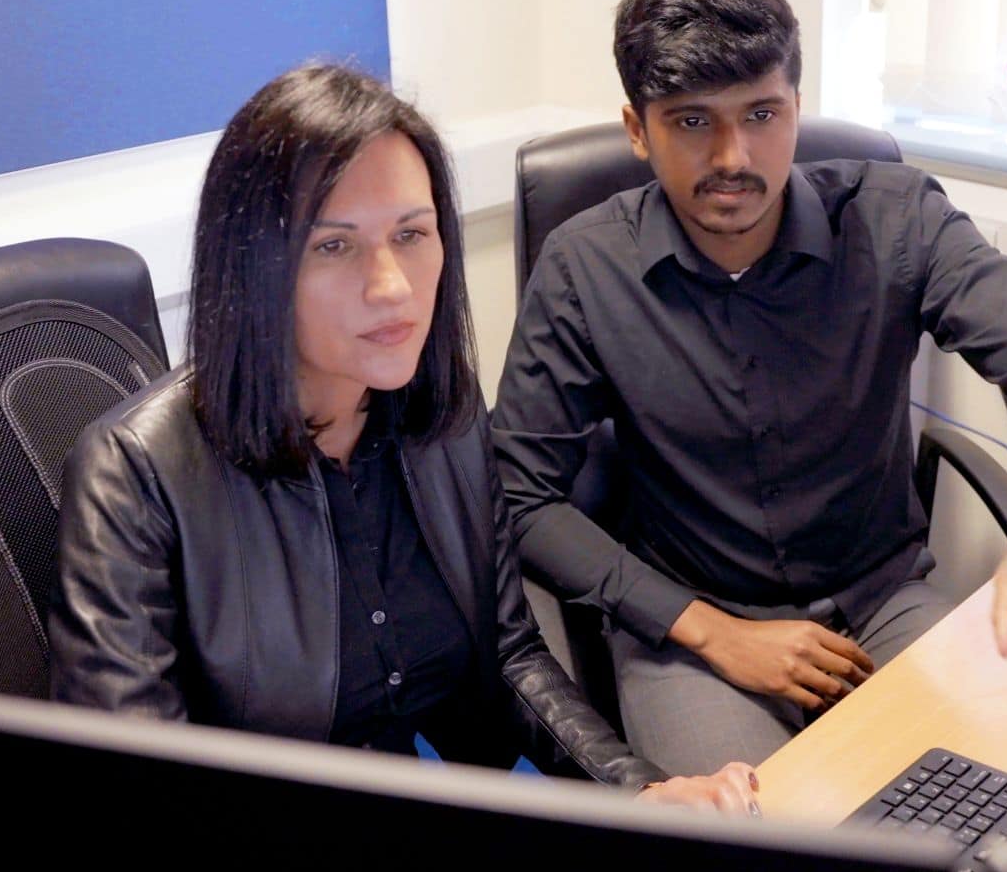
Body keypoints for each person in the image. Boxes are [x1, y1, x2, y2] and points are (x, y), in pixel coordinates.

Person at [493, 0, 1007, 775]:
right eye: (693, 121)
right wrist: (709, 628)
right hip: (695, 630)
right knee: (765, 847)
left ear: (798, 107)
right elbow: (519, 493)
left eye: (762, 113)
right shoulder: (585, 266)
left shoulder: (898, 219)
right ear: (637, 129)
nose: (734, 155)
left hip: (883, 600)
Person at [50, 63, 755, 813]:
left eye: (412, 234)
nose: (391, 284)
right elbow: (135, 798)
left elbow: (507, 653)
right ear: (253, 265)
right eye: (333, 246)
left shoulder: (440, 421)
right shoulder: (134, 475)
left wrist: (636, 787)